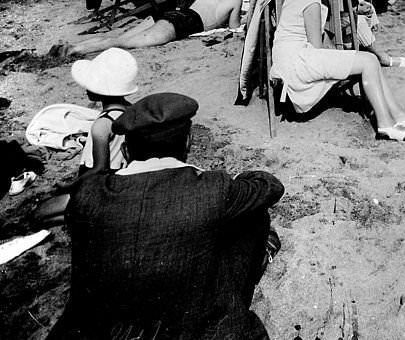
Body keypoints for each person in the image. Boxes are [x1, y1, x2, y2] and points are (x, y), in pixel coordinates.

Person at [46, 93, 284, 339]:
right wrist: (226, 179)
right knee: (252, 218)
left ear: (126, 151)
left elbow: (48, 211)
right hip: (190, 326)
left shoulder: (91, 195)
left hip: (99, 330)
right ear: (189, 142)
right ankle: (230, 300)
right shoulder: (213, 189)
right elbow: (269, 186)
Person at [272, 0, 405, 138]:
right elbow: (316, 46)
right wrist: (340, 59)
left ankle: (399, 117)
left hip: (289, 57)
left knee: (369, 60)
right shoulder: (311, 1)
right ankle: (386, 125)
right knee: (368, 61)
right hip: (298, 62)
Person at [34, 48, 138, 227]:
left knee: (39, 215)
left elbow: (99, 169)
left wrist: (70, 186)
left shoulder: (102, 124)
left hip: (99, 185)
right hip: (121, 179)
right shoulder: (132, 111)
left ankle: (89, 218)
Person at [68, 0, 250, 55]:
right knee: (123, 44)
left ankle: (72, 47)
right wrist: (246, 19)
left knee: (121, 37)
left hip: (175, 14)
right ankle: (73, 50)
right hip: (184, 24)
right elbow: (234, 27)